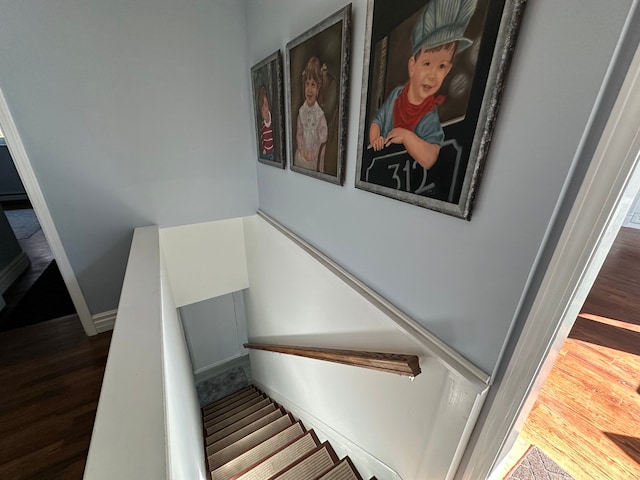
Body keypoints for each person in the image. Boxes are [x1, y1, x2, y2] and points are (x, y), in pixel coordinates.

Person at [369, 0, 477, 170]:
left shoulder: (429, 116)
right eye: (427, 64)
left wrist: (406, 137)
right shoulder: (396, 95)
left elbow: (430, 157)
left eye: (441, 66)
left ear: (448, 70)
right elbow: (377, 121)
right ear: (413, 66)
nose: (432, 75)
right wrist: (375, 139)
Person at [294, 57, 328, 172]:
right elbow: (299, 134)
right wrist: (302, 149)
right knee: (298, 158)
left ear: (318, 89)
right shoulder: (301, 112)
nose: (309, 89)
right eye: (307, 84)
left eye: (313, 85)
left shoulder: (320, 116)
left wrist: (313, 154)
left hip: (315, 157)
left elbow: (321, 140)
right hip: (303, 153)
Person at [257, 85, 274, 160]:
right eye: (263, 109)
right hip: (266, 153)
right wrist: (264, 149)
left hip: (272, 152)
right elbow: (262, 138)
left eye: (266, 105)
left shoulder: (273, 121)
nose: (265, 110)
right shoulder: (262, 126)